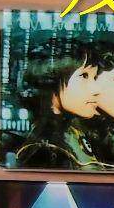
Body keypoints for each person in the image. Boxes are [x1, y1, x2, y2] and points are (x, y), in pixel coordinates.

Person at [14, 42, 103, 170]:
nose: (96, 89)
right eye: (84, 76)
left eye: (94, 77)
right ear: (51, 80)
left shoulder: (76, 133)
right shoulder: (45, 149)